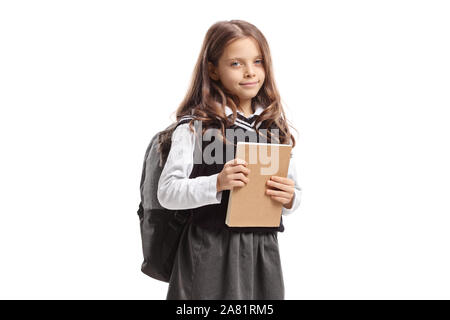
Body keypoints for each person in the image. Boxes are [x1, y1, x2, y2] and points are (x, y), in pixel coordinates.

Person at [156, 20, 302, 300]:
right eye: (236, 63)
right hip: (210, 249)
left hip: (262, 252)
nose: (250, 72)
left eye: (257, 61)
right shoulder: (195, 126)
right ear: (213, 69)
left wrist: (290, 198)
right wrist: (217, 183)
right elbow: (167, 192)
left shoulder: (273, 127)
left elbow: (293, 193)